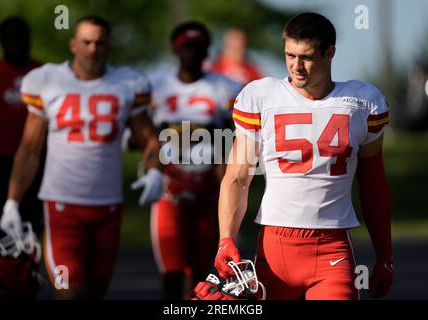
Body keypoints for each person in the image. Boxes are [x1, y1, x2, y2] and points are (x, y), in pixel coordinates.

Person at [214, 12, 393, 300]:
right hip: (275, 249)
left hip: (331, 252)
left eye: (306, 57)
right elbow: (237, 177)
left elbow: (374, 186)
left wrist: (385, 254)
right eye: (289, 55)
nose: (296, 66)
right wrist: (226, 239)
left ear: (329, 53)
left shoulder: (362, 103)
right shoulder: (261, 96)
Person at [0, 16, 163, 299]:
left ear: (108, 47)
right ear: (73, 45)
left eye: (99, 42)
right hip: (62, 206)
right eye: (86, 42)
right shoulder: (48, 81)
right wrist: (12, 201)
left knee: (96, 293)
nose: (92, 49)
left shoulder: (127, 83)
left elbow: (149, 139)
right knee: (69, 291)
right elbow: (29, 148)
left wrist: (155, 171)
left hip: (108, 207)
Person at [146, 21, 242, 299]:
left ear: (207, 51)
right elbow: (138, 135)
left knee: (205, 273)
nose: (193, 53)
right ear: (176, 50)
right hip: (170, 188)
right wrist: (152, 167)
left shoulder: (226, 87)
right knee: (171, 271)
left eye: (199, 47)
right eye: (187, 47)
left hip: (209, 189)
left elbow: (237, 140)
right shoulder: (156, 86)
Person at [0, 17, 43, 239]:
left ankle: (29, 270)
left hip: (36, 161)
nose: (16, 46)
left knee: (31, 225)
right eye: (10, 41)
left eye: (20, 40)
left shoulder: (43, 73)